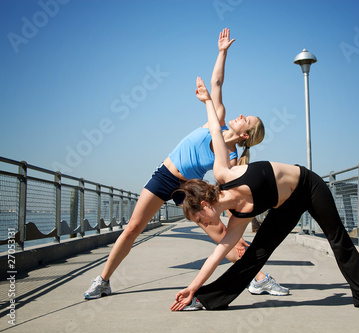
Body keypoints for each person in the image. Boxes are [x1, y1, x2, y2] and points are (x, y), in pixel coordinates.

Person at [84, 28, 288, 300]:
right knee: (133, 227)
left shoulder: (226, 153)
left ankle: (259, 278)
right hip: (165, 175)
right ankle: (103, 280)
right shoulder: (217, 119)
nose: (240, 115)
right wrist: (222, 52)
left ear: (244, 136)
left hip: (189, 188)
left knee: (222, 235)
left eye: (245, 120)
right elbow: (216, 83)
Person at [169, 77, 359, 312]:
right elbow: (218, 254)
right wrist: (192, 288)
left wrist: (207, 100)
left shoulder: (224, 173)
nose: (203, 224)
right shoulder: (239, 216)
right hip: (285, 206)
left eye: (199, 219)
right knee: (255, 254)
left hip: (309, 186)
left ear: (204, 204)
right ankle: (204, 299)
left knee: (338, 238)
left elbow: (215, 129)